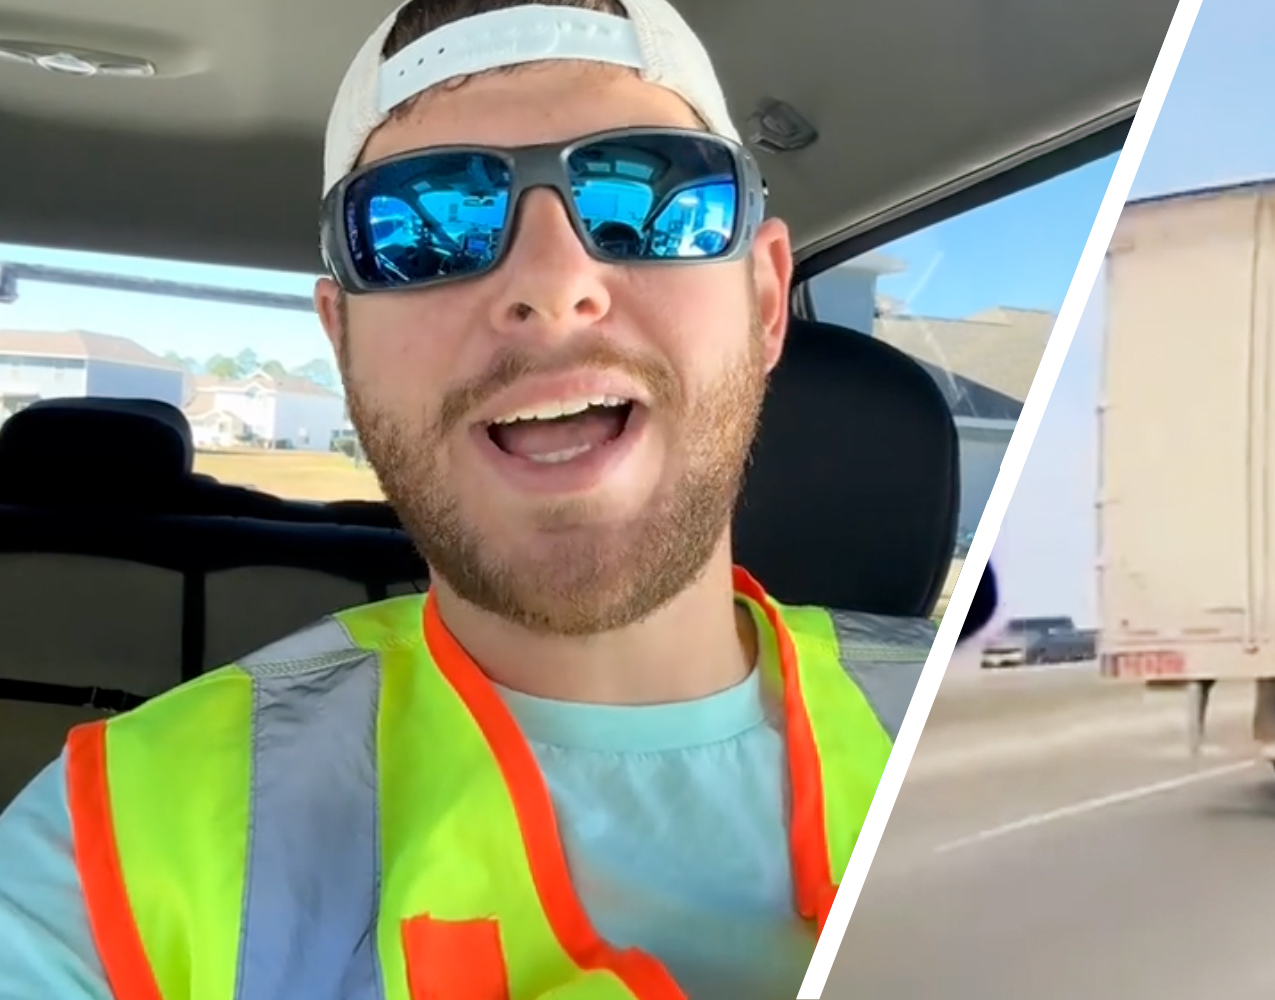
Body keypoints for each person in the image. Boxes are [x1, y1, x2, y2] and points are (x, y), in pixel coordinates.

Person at [0, 0, 937, 997]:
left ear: (760, 301)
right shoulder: (125, 838)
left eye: (653, 202)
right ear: (343, 341)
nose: (551, 279)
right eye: (425, 230)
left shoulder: (968, 706)